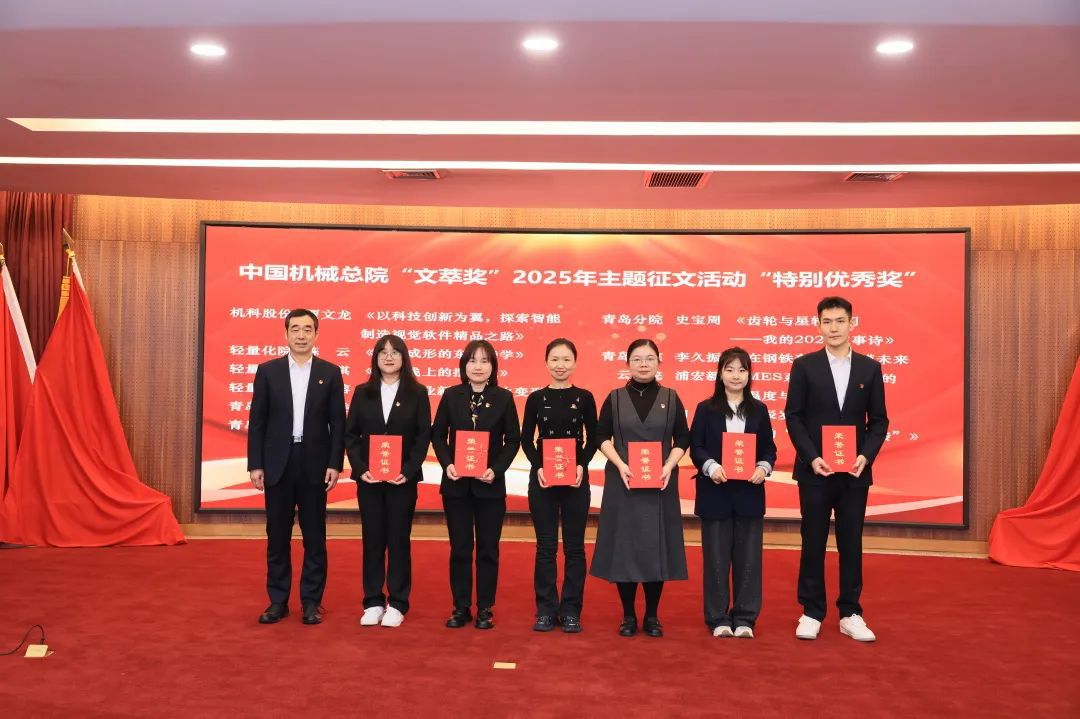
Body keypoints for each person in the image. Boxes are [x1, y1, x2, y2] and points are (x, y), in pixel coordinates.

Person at [785, 296, 889, 642]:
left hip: (854, 474)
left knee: (851, 543)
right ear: (818, 325)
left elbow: (879, 421)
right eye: (827, 321)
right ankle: (811, 611)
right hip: (815, 471)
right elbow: (794, 417)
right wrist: (812, 456)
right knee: (812, 541)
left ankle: (851, 612)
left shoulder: (870, 368)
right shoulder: (804, 366)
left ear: (852, 324)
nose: (833, 328)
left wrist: (866, 456)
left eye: (840, 321)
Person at [247, 308, 346, 626]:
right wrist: (255, 464)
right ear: (286, 333)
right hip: (278, 461)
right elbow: (257, 420)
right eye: (295, 329)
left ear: (316, 334)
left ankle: (311, 602)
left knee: (315, 536)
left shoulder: (330, 372)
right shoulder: (268, 371)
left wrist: (335, 463)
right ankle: (278, 601)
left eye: (307, 329)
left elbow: (338, 423)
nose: (301, 335)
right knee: (277, 536)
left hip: (314, 462)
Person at [590, 339, 690, 638]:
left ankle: (652, 616)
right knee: (625, 547)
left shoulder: (671, 397)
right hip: (623, 481)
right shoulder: (615, 398)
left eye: (649, 358)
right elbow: (600, 435)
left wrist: (669, 465)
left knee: (654, 547)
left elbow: (683, 438)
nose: (643, 364)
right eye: (637, 359)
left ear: (659, 362)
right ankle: (628, 615)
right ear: (627, 363)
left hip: (660, 482)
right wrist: (620, 464)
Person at [431, 340, 521, 630]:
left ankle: (485, 608)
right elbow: (437, 435)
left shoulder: (504, 398)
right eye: (472, 360)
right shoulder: (451, 395)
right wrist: (447, 464)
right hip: (456, 485)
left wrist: (496, 469)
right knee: (460, 548)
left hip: (489, 485)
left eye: (484, 361)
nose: (478, 366)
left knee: (487, 549)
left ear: (493, 366)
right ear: (464, 365)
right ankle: (460, 607)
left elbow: (513, 440)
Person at [344, 335, 431, 628]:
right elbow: (351, 434)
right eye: (383, 352)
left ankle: (397, 603)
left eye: (395, 352)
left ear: (404, 357)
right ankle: (372, 602)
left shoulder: (417, 392)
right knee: (372, 540)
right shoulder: (362, 392)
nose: (389, 357)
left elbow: (423, 436)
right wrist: (360, 468)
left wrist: (408, 469)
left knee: (398, 540)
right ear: (375, 358)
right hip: (369, 480)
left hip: (402, 481)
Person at [689, 347, 777, 639]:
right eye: (729, 369)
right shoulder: (706, 408)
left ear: (749, 374)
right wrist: (711, 466)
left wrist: (763, 467)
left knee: (749, 560)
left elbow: (769, 448)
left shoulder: (759, 409)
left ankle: (745, 618)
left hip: (749, 493)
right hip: (715, 492)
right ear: (720, 373)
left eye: (741, 370)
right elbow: (696, 446)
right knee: (715, 560)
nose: (736, 375)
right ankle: (718, 618)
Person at [521, 338, 598, 633]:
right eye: (554, 359)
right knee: (546, 547)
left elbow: (593, 438)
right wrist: (538, 466)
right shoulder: (535, 398)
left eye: (566, 359)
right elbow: (526, 439)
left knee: (575, 548)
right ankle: (545, 609)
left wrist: (581, 465)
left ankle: (571, 611)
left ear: (575, 363)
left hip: (575, 480)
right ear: (546, 363)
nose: (560, 365)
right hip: (543, 480)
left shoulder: (585, 397)